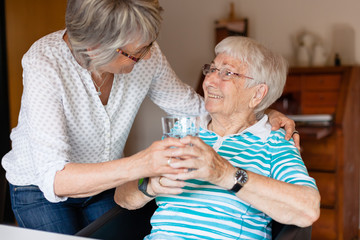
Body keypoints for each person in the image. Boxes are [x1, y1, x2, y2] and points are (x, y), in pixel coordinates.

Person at [1, 0, 297, 235]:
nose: (146, 56)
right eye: (135, 52)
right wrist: (143, 163)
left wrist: (259, 108)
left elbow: (193, 108)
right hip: (41, 188)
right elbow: (55, 179)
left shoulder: (146, 54)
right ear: (95, 49)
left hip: (105, 181)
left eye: (148, 46)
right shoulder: (45, 62)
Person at [114, 36, 320, 239]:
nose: (209, 81)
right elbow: (122, 197)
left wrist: (224, 173)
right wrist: (148, 185)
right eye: (211, 69)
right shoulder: (183, 131)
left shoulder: (274, 142)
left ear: (257, 94)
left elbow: (308, 209)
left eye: (227, 73)